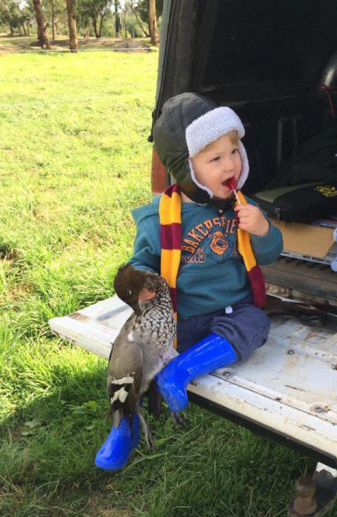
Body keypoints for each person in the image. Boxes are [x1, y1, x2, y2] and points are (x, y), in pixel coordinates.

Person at [96, 92, 283, 469]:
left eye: (234, 149)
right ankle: (123, 425)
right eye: (215, 158)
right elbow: (142, 262)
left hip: (232, 311)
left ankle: (181, 371)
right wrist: (137, 279)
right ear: (186, 169)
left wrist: (263, 229)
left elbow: (270, 253)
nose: (231, 163)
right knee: (131, 357)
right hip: (179, 318)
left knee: (256, 323)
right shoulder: (158, 218)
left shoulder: (243, 208)